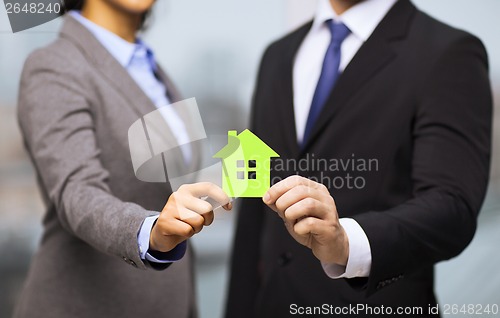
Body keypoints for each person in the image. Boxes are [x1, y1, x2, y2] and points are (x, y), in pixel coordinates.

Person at [225, 0, 492, 317]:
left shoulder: (448, 51)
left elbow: (452, 207)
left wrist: (345, 242)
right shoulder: (277, 55)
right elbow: (254, 200)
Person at [14, 0, 231, 317]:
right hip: (86, 304)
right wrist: (150, 229)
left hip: (165, 301)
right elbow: (77, 191)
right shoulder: (53, 64)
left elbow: (165, 183)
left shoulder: (151, 69)